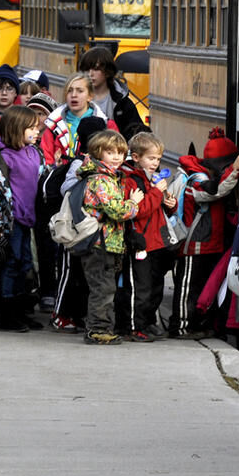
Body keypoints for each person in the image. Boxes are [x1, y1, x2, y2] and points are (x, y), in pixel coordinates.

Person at [171, 128, 239, 339]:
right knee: (187, 288)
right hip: (193, 244)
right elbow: (215, 191)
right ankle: (181, 326)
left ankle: (197, 324)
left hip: (209, 243)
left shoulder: (201, 172)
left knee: (201, 289)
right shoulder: (196, 178)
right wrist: (233, 170)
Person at [75, 129, 143, 345]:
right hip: (99, 243)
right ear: (97, 152)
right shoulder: (102, 180)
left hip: (105, 242)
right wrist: (133, 203)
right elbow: (116, 211)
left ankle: (101, 327)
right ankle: (97, 330)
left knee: (104, 287)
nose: (117, 157)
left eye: (120, 153)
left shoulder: (107, 177)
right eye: (110, 152)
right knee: (102, 289)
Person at [46, 116, 107, 330]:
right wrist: (85, 175)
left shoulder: (104, 164)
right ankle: (60, 313)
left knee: (83, 274)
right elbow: (67, 188)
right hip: (74, 226)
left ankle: (77, 313)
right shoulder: (79, 162)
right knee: (68, 271)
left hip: (90, 227)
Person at [117, 131, 176, 342]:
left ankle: (148, 322)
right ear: (136, 157)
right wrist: (157, 194)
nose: (155, 163)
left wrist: (169, 204)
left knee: (154, 286)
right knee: (138, 287)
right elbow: (139, 211)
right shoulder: (131, 180)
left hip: (156, 241)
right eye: (151, 158)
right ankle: (134, 326)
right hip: (139, 242)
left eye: (158, 159)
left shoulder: (152, 179)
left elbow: (156, 210)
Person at [0, 105, 43, 331]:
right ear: (16, 129)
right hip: (11, 220)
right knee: (11, 263)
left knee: (26, 263)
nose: (37, 130)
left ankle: (21, 309)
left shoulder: (34, 153)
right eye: (31, 127)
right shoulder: (2, 157)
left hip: (29, 218)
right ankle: (6, 313)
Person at [39, 72, 115, 166]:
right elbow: (46, 160)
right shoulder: (53, 124)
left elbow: (115, 157)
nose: (74, 95)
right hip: (61, 178)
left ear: (90, 96)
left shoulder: (107, 125)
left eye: (80, 91)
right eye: (70, 91)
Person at [78, 46, 149, 139]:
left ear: (108, 71)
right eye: (86, 69)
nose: (90, 74)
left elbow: (137, 134)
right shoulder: (76, 99)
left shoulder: (123, 104)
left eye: (96, 69)